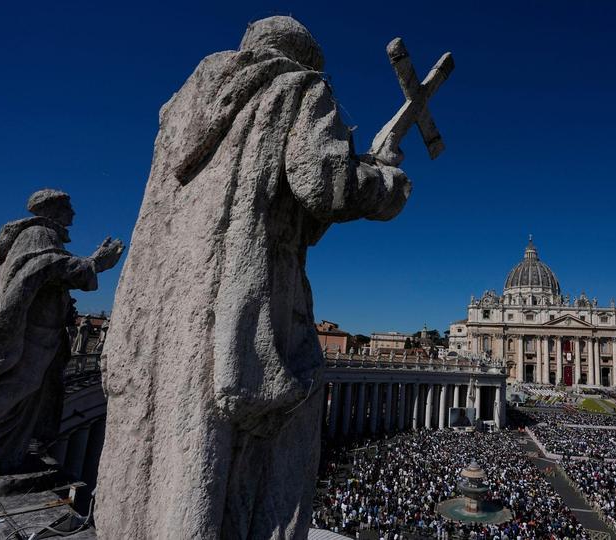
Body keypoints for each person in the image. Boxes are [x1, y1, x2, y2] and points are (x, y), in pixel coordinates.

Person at [96, 16, 413, 539]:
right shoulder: (298, 86)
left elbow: (292, 210)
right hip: (240, 306)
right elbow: (324, 184)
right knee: (238, 456)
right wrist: (385, 179)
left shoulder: (182, 109)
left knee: (162, 446)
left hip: (158, 309)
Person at [0, 188, 123, 477]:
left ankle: (2, 454)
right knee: (14, 390)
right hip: (30, 336)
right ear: (52, 208)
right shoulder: (38, 233)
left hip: (39, 334)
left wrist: (90, 260)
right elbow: (43, 266)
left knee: (23, 395)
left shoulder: (43, 235)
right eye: (68, 207)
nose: (74, 214)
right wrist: (95, 264)